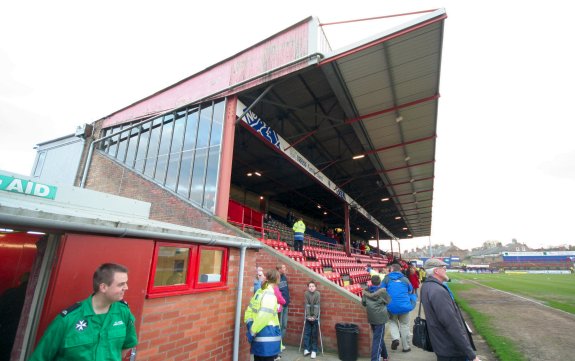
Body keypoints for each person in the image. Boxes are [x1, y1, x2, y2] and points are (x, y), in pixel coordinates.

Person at [29, 263, 137, 361]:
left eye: (126, 283)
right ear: (103, 287)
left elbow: (128, 344)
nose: (126, 288)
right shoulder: (68, 319)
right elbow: (40, 357)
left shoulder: (123, 313)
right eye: (121, 284)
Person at [421, 258, 480, 361]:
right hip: (451, 349)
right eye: (444, 268)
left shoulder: (427, 286)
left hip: (442, 345)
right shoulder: (438, 291)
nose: (446, 270)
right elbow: (451, 324)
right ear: (436, 271)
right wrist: (471, 355)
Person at [244, 269, 282, 361]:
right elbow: (263, 316)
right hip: (267, 337)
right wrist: (252, 331)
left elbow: (249, 311)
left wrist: (251, 327)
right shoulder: (269, 295)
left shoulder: (259, 292)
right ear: (277, 279)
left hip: (258, 336)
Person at [382, 263, 415, 353]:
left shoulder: (386, 279)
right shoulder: (405, 279)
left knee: (392, 322)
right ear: (400, 270)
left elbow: (381, 291)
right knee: (404, 325)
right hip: (404, 306)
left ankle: (396, 338)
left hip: (391, 306)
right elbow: (411, 290)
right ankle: (406, 347)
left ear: (391, 269)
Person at [0, 272, 29, 361]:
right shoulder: (32, 297)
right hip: (23, 339)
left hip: (4, 334)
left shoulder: (11, 293)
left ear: (20, 282)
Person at [362, 275, 391, 361]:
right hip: (380, 318)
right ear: (380, 283)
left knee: (379, 337)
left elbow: (364, 303)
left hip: (371, 317)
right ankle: (374, 359)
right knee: (377, 340)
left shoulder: (366, 291)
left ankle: (385, 356)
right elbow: (388, 301)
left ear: (371, 282)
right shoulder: (382, 292)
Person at [302, 281, 320, 359]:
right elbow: (307, 305)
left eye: (313, 286)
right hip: (308, 317)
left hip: (315, 317)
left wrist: (314, 316)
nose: (311, 287)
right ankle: (306, 349)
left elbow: (317, 305)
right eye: (309, 286)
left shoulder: (317, 294)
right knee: (307, 333)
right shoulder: (306, 293)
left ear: (315, 287)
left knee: (314, 334)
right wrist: (308, 316)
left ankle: (314, 350)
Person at [277, 264, 290, 351]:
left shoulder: (284, 277)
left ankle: (279, 343)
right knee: (279, 324)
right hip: (280, 305)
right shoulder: (276, 279)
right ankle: (277, 344)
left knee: (284, 325)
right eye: (284, 268)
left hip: (286, 305)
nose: (285, 269)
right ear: (279, 269)